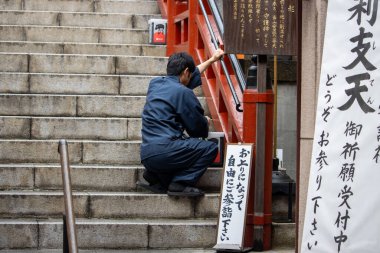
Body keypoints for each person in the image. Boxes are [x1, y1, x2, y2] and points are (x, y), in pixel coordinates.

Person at [140, 49, 224, 197]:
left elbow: (192, 74)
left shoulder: (155, 84)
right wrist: (205, 122)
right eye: (189, 74)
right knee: (210, 148)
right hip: (166, 152)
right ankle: (180, 183)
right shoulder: (184, 92)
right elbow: (197, 130)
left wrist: (212, 60)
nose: (191, 77)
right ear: (186, 72)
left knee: (172, 147)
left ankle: (156, 176)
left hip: (147, 155)